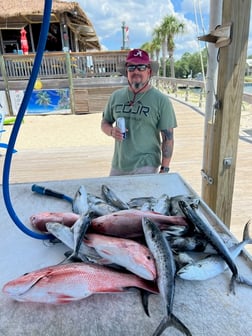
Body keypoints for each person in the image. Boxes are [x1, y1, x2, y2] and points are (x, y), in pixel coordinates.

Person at [101, 49, 177, 176]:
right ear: (127, 71)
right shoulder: (116, 96)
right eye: (131, 67)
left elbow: (168, 138)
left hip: (146, 164)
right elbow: (105, 122)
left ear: (149, 71)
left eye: (141, 67)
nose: (136, 71)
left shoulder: (161, 100)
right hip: (119, 164)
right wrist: (111, 131)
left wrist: (165, 169)